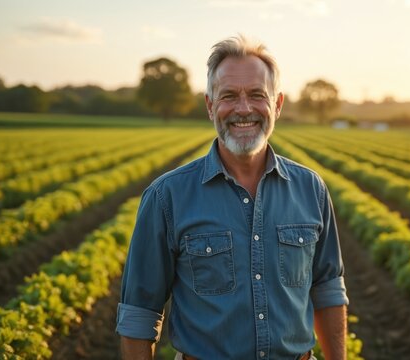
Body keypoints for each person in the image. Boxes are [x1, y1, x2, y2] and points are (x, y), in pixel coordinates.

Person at [116, 34, 349, 360]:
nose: (243, 109)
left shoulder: (311, 189)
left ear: (277, 105)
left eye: (257, 95)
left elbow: (328, 291)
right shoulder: (166, 197)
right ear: (210, 106)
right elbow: (139, 314)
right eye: (228, 96)